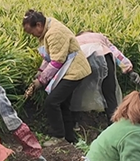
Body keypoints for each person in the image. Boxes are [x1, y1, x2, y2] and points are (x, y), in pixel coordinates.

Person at [22, 9, 91, 145]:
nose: (33, 35)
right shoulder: (47, 28)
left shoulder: (55, 33)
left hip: (74, 71)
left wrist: (41, 81)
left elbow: (57, 61)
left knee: (52, 102)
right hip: (68, 69)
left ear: (38, 25)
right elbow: (49, 56)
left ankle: (58, 136)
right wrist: (40, 71)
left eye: (32, 32)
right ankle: (69, 138)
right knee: (63, 103)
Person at [73, 31, 140, 119]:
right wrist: (129, 69)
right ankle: (114, 122)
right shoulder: (100, 36)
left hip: (84, 59)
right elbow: (116, 53)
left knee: (77, 94)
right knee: (110, 95)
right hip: (104, 57)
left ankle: (74, 121)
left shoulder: (76, 39)